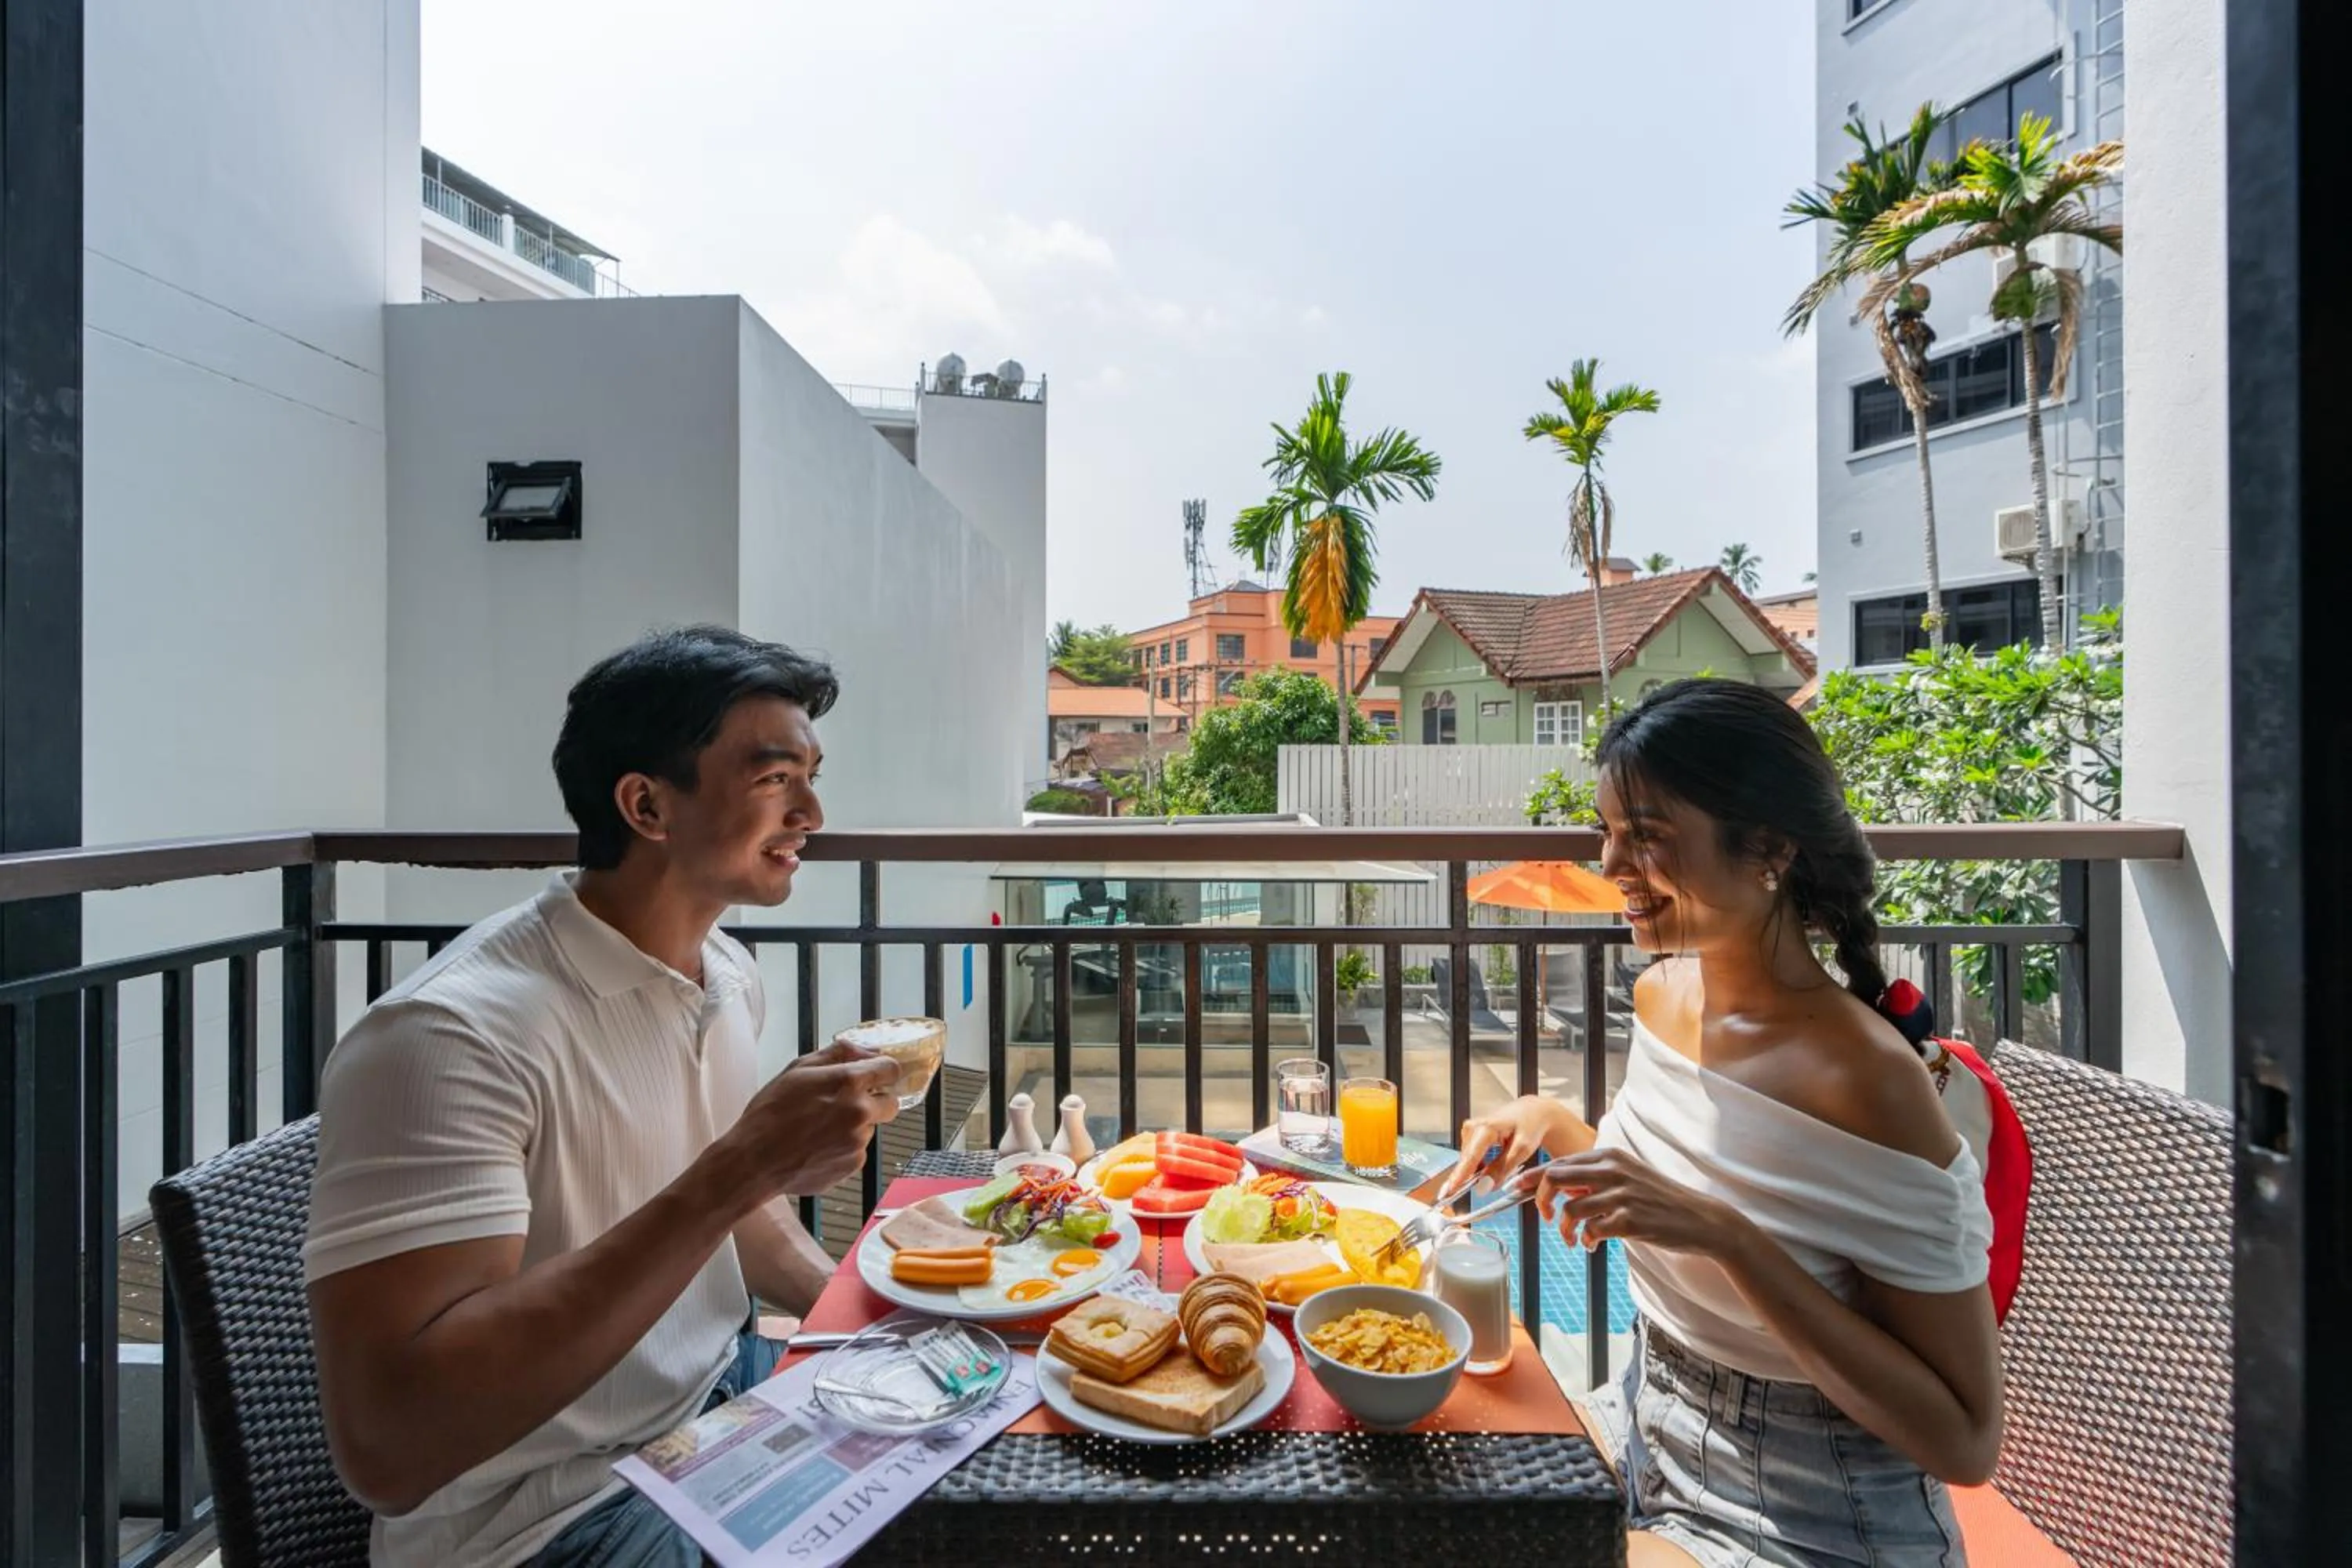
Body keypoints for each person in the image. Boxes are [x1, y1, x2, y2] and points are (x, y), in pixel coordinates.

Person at [307, 626, 902, 1568]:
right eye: (775, 778)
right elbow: (390, 1445)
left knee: (970, 1460)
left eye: (811, 776)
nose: (813, 811)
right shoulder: (449, 1035)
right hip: (543, 1518)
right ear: (645, 804)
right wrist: (741, 1164)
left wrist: (879, 1318)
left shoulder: (726, 974)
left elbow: (738, 1217)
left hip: (714, 1411)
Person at [1445, 679, 2000, 1567]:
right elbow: (1667, 1197)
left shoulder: (1864, 1078)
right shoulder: (1667, 990)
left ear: (1770, 848)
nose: (1613, 865)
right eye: (1609, 833)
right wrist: (1546, 1116)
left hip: (1817, 1502)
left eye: (1649, 836)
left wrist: (1730, 1236)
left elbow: (1968, 1439)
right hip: (1642, 1414)